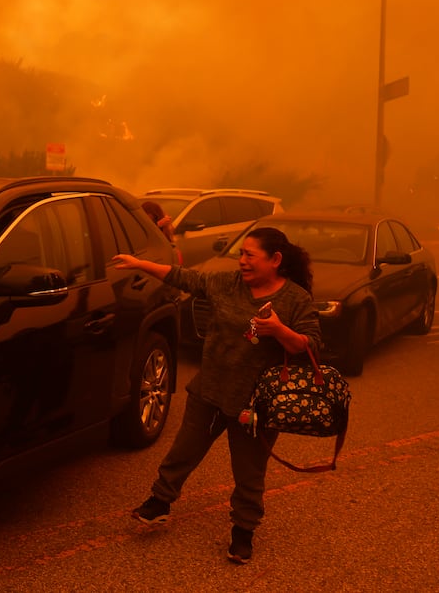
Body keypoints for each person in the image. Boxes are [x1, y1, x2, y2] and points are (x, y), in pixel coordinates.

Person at [111, 226, 320, 565]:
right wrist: (140, 264)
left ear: (275, 260)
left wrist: (279, 330)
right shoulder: (226, 284)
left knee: (249, 473)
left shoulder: (296, 299)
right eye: (241, 254)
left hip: (255, 407)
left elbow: (312, 348)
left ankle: (243, 532)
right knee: (182, 452)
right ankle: (159, 503)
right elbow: (185, 278)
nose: (242, 261)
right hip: (210, 391)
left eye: (250, 255)